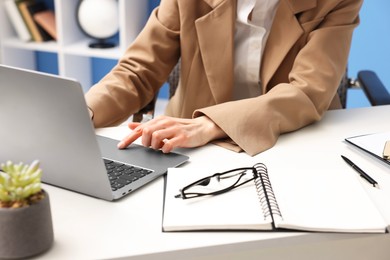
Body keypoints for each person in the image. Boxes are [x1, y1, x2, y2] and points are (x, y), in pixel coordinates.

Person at [85, 0, 363, 156]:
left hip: (290, 139)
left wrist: (211, 124)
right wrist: (83, 110)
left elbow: (308, 91)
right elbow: (138, 70)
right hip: (188, 144)